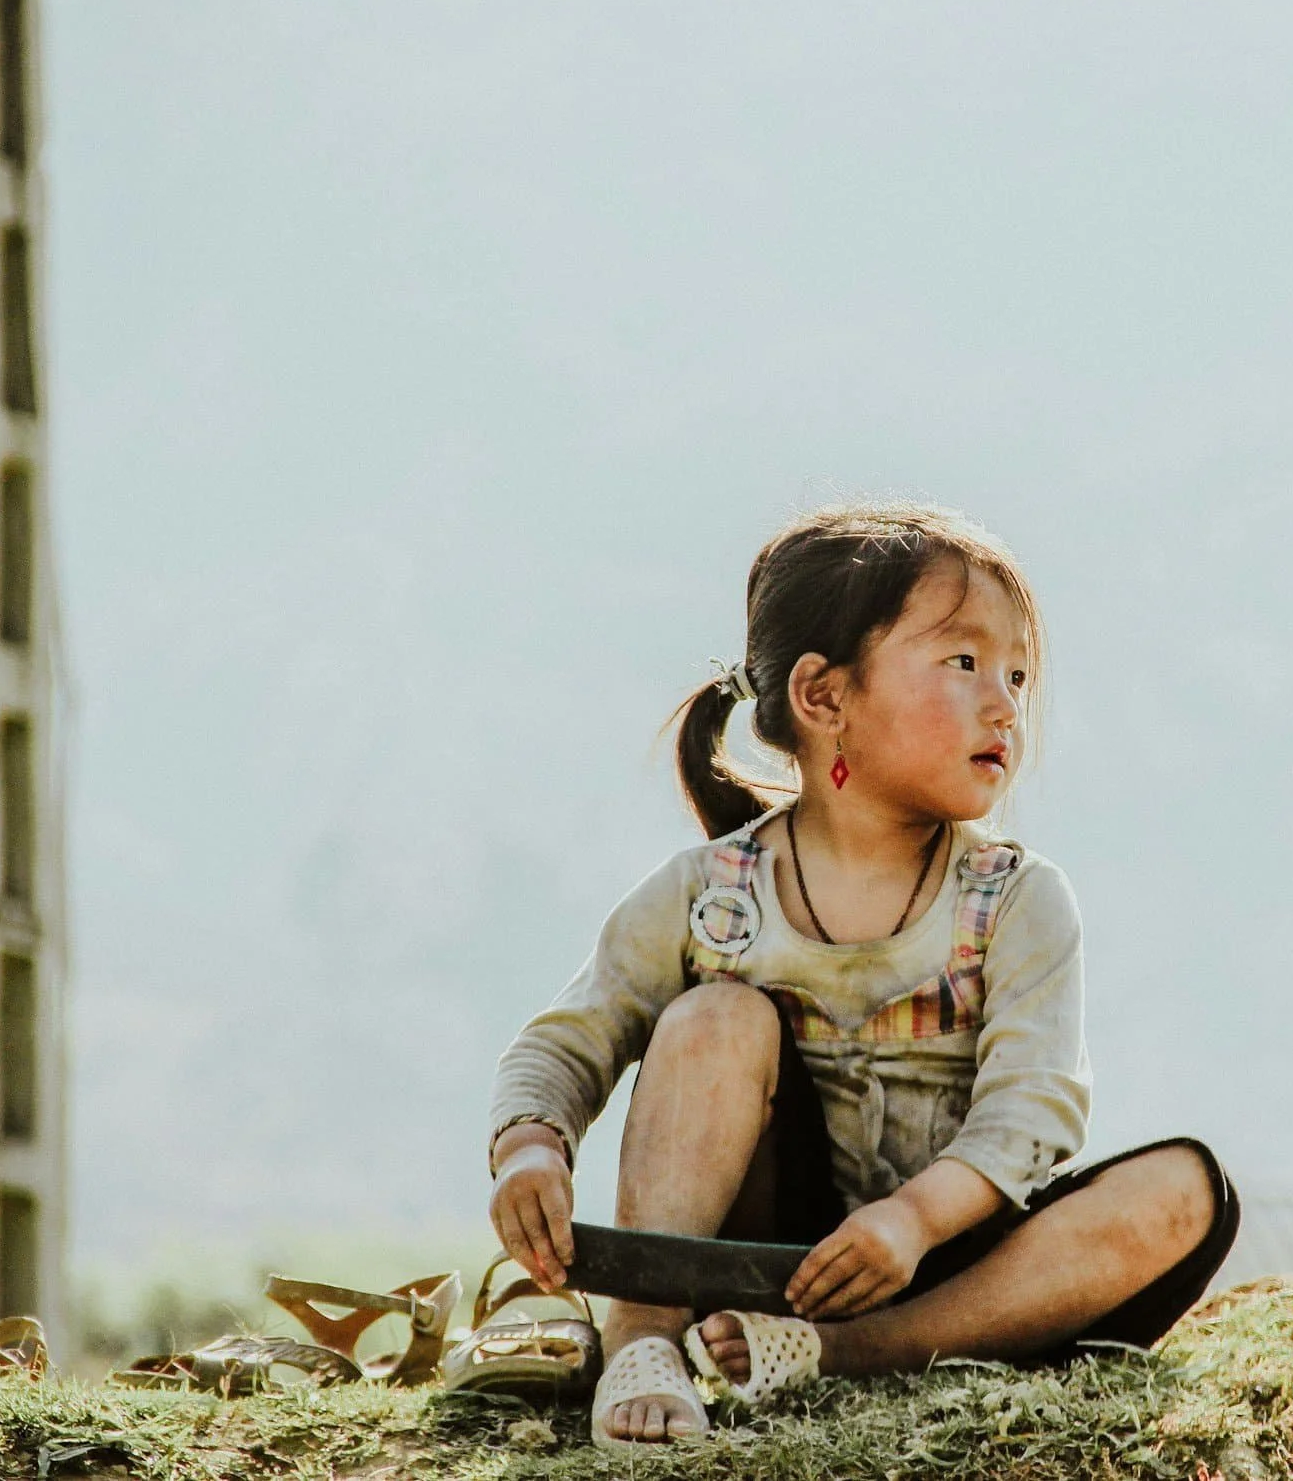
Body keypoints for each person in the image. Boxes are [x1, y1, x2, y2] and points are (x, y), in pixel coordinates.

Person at [487, 502, 1239, 1446]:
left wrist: (915, 1221)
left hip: (951, 1257)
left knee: (1186, 1191)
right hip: (773, 1253)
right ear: (824, 696)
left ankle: (848, 1351)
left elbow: (1032, 1111)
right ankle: (644, 1339)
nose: (1005, 702)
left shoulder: (1018, 898)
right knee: (715, 1018)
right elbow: (573, 1035)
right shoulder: (711, 891)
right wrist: (531, 1147)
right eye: (963, 663)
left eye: (1016, 673)